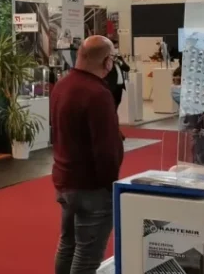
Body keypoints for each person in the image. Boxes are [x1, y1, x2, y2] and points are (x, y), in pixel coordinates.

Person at [50, 35, 124, 274]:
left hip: (65, 179)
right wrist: (109, 185)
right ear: (107, 61)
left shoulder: (62, 85)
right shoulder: (98, 93)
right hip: (91, 187)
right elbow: (106, 151)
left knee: (67, 245)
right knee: (87, 257)